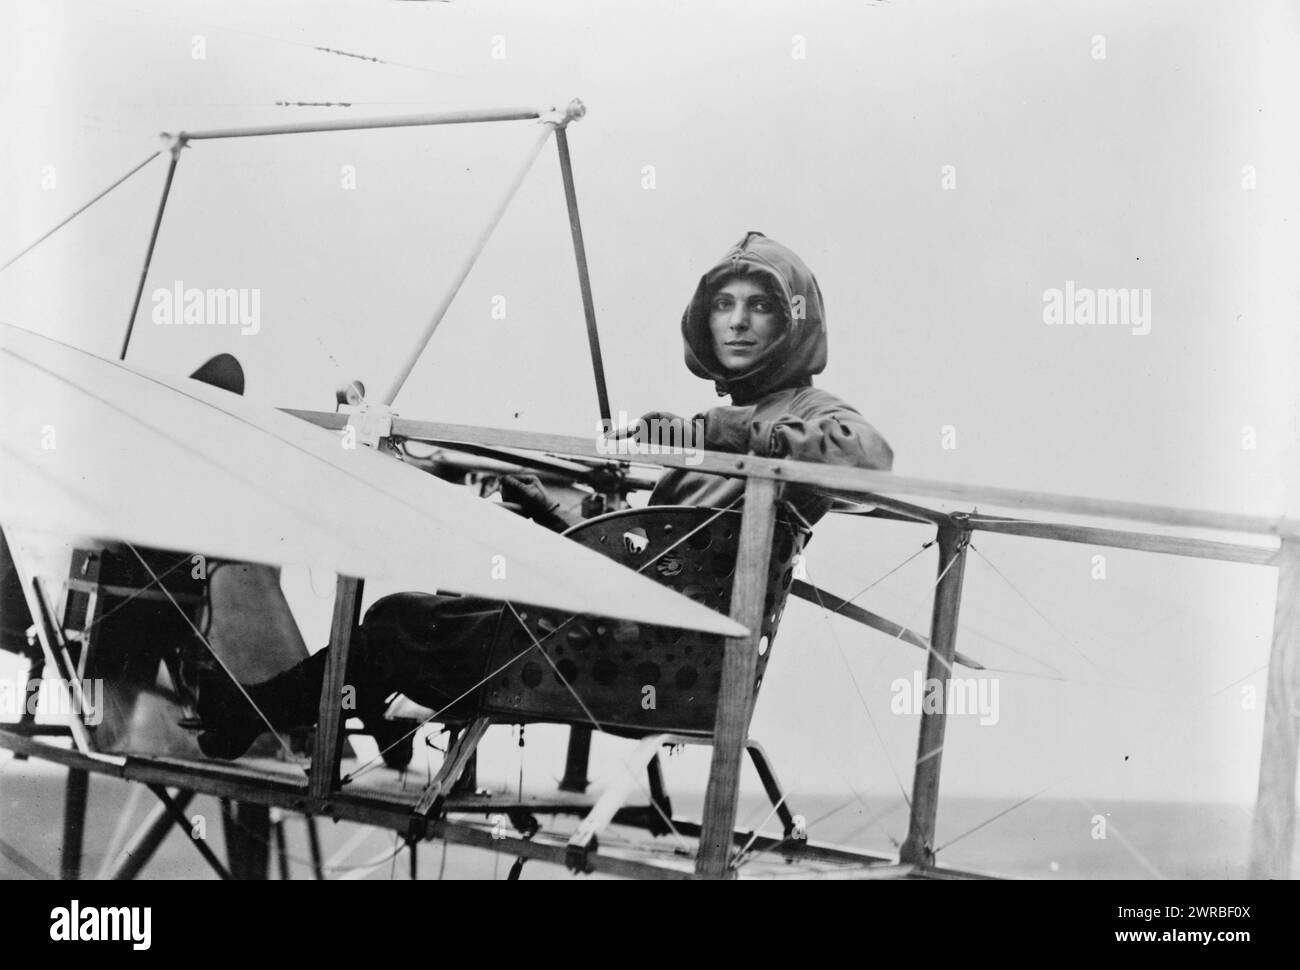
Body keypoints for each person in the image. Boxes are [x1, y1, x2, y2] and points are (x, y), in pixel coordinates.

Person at [195, 231, 893, 763]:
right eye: (724, 305)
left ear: (795, 322)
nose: (737, 322)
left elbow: (871, 458)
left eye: (762, 306)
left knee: (394, 622)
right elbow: (650, 551)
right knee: (421, 611)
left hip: (628, 659)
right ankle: (322, 707)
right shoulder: (736, 427)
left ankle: (253, 712)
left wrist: (713, 429)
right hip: (630, 647)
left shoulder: (805, 411)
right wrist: (546, 505)